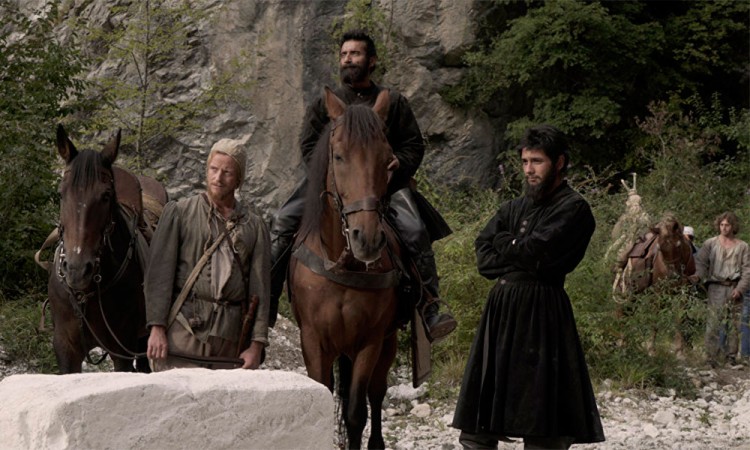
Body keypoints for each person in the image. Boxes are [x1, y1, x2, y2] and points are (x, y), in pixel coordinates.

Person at [269, 29, 456, 341]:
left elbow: (413, 144)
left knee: (415, 231)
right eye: (344, 54)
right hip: (331, 186)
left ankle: (430, 308)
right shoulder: (325, 103)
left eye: (355, 54)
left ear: (372, 61)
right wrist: (330, 175)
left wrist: (398, 163)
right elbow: (308, 146)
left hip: (385, 186)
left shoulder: (393, 102)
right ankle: (267, 303)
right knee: (282, 222)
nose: (348, 60)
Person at [452, 125, 605, 449]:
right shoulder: (512, 207)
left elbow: (538, 253)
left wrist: (508, 244)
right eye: (524, 161)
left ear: (559, 162)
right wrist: (519, 250)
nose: (529, 169)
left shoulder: (574, 209)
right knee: (479, 423)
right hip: (501, 312)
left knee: (542, 421)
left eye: (537, 161)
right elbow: (484, 258)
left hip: (543, 314)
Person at [145, 138, 271, 371]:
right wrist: (157, 328)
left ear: (239, 179)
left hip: (230, 340)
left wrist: (256, 346)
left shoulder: (254, 226)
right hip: (184, 332)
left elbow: (260, 290)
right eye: (214, 169)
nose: (218, 178)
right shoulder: (180, 212)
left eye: (227, 173)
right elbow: (159, 276)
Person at [695, 211, 750, 366]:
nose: (724, 228)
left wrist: (740, 288)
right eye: (722, 224)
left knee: (734, 323)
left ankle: (730, 357)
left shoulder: (743, 246)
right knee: (713, 323)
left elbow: (747, 270)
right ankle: (710, 357)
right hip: (715, 286)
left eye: (727, 225)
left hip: (734, 286)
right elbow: (701, 262)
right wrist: (698, 276)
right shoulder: (710, 243)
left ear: (733, 226)